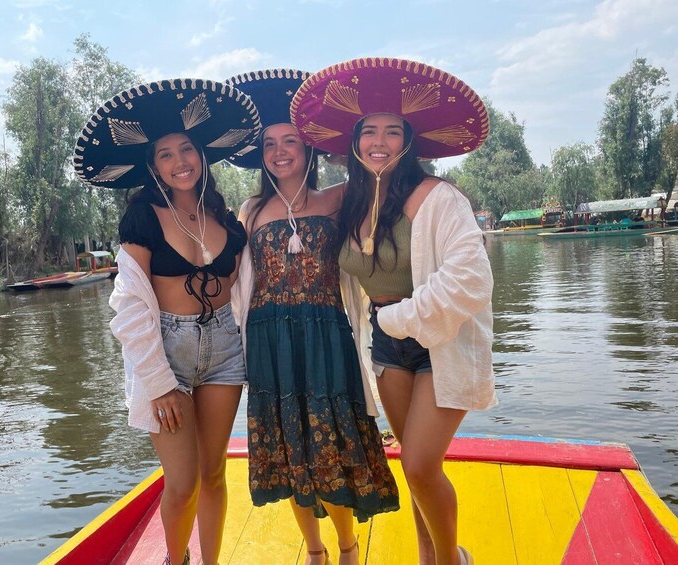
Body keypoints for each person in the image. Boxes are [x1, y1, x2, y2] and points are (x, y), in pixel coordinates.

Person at [293, 57, 497, 565]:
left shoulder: (438, 198)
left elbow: (472, 280)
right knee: (411, 466)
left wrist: (395, 318)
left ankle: (450, 560)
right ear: (354, 141)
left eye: (391, 131)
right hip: (386, 347)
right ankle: (428, 556)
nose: (378, 141)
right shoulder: (353, 204)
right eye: (368, 132)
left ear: (407, 140)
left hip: (439, 343)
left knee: (424, 465)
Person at [74, 78, 260, 565]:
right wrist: (157, 383)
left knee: (215, 471)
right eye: (165, 155)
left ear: (201, 155)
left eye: (187, 149)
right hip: (167, 354)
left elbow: (248, 291)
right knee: (182, 482)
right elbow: (130, 307)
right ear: (152, 166)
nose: (180, 162)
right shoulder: (143, 217)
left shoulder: (227, 221)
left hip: (224, 348)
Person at [228, 69, 399, 565]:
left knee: (331, 448)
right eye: (270, 145)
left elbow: (384, 197)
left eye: (292, 141)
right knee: (289, 450)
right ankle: (316, 551)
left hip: (326, 336)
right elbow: (233, 279)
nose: (280, 152)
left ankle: (347, 548)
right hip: (268, 343)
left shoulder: (339, 198)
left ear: (310, 149)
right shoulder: (251, 209)